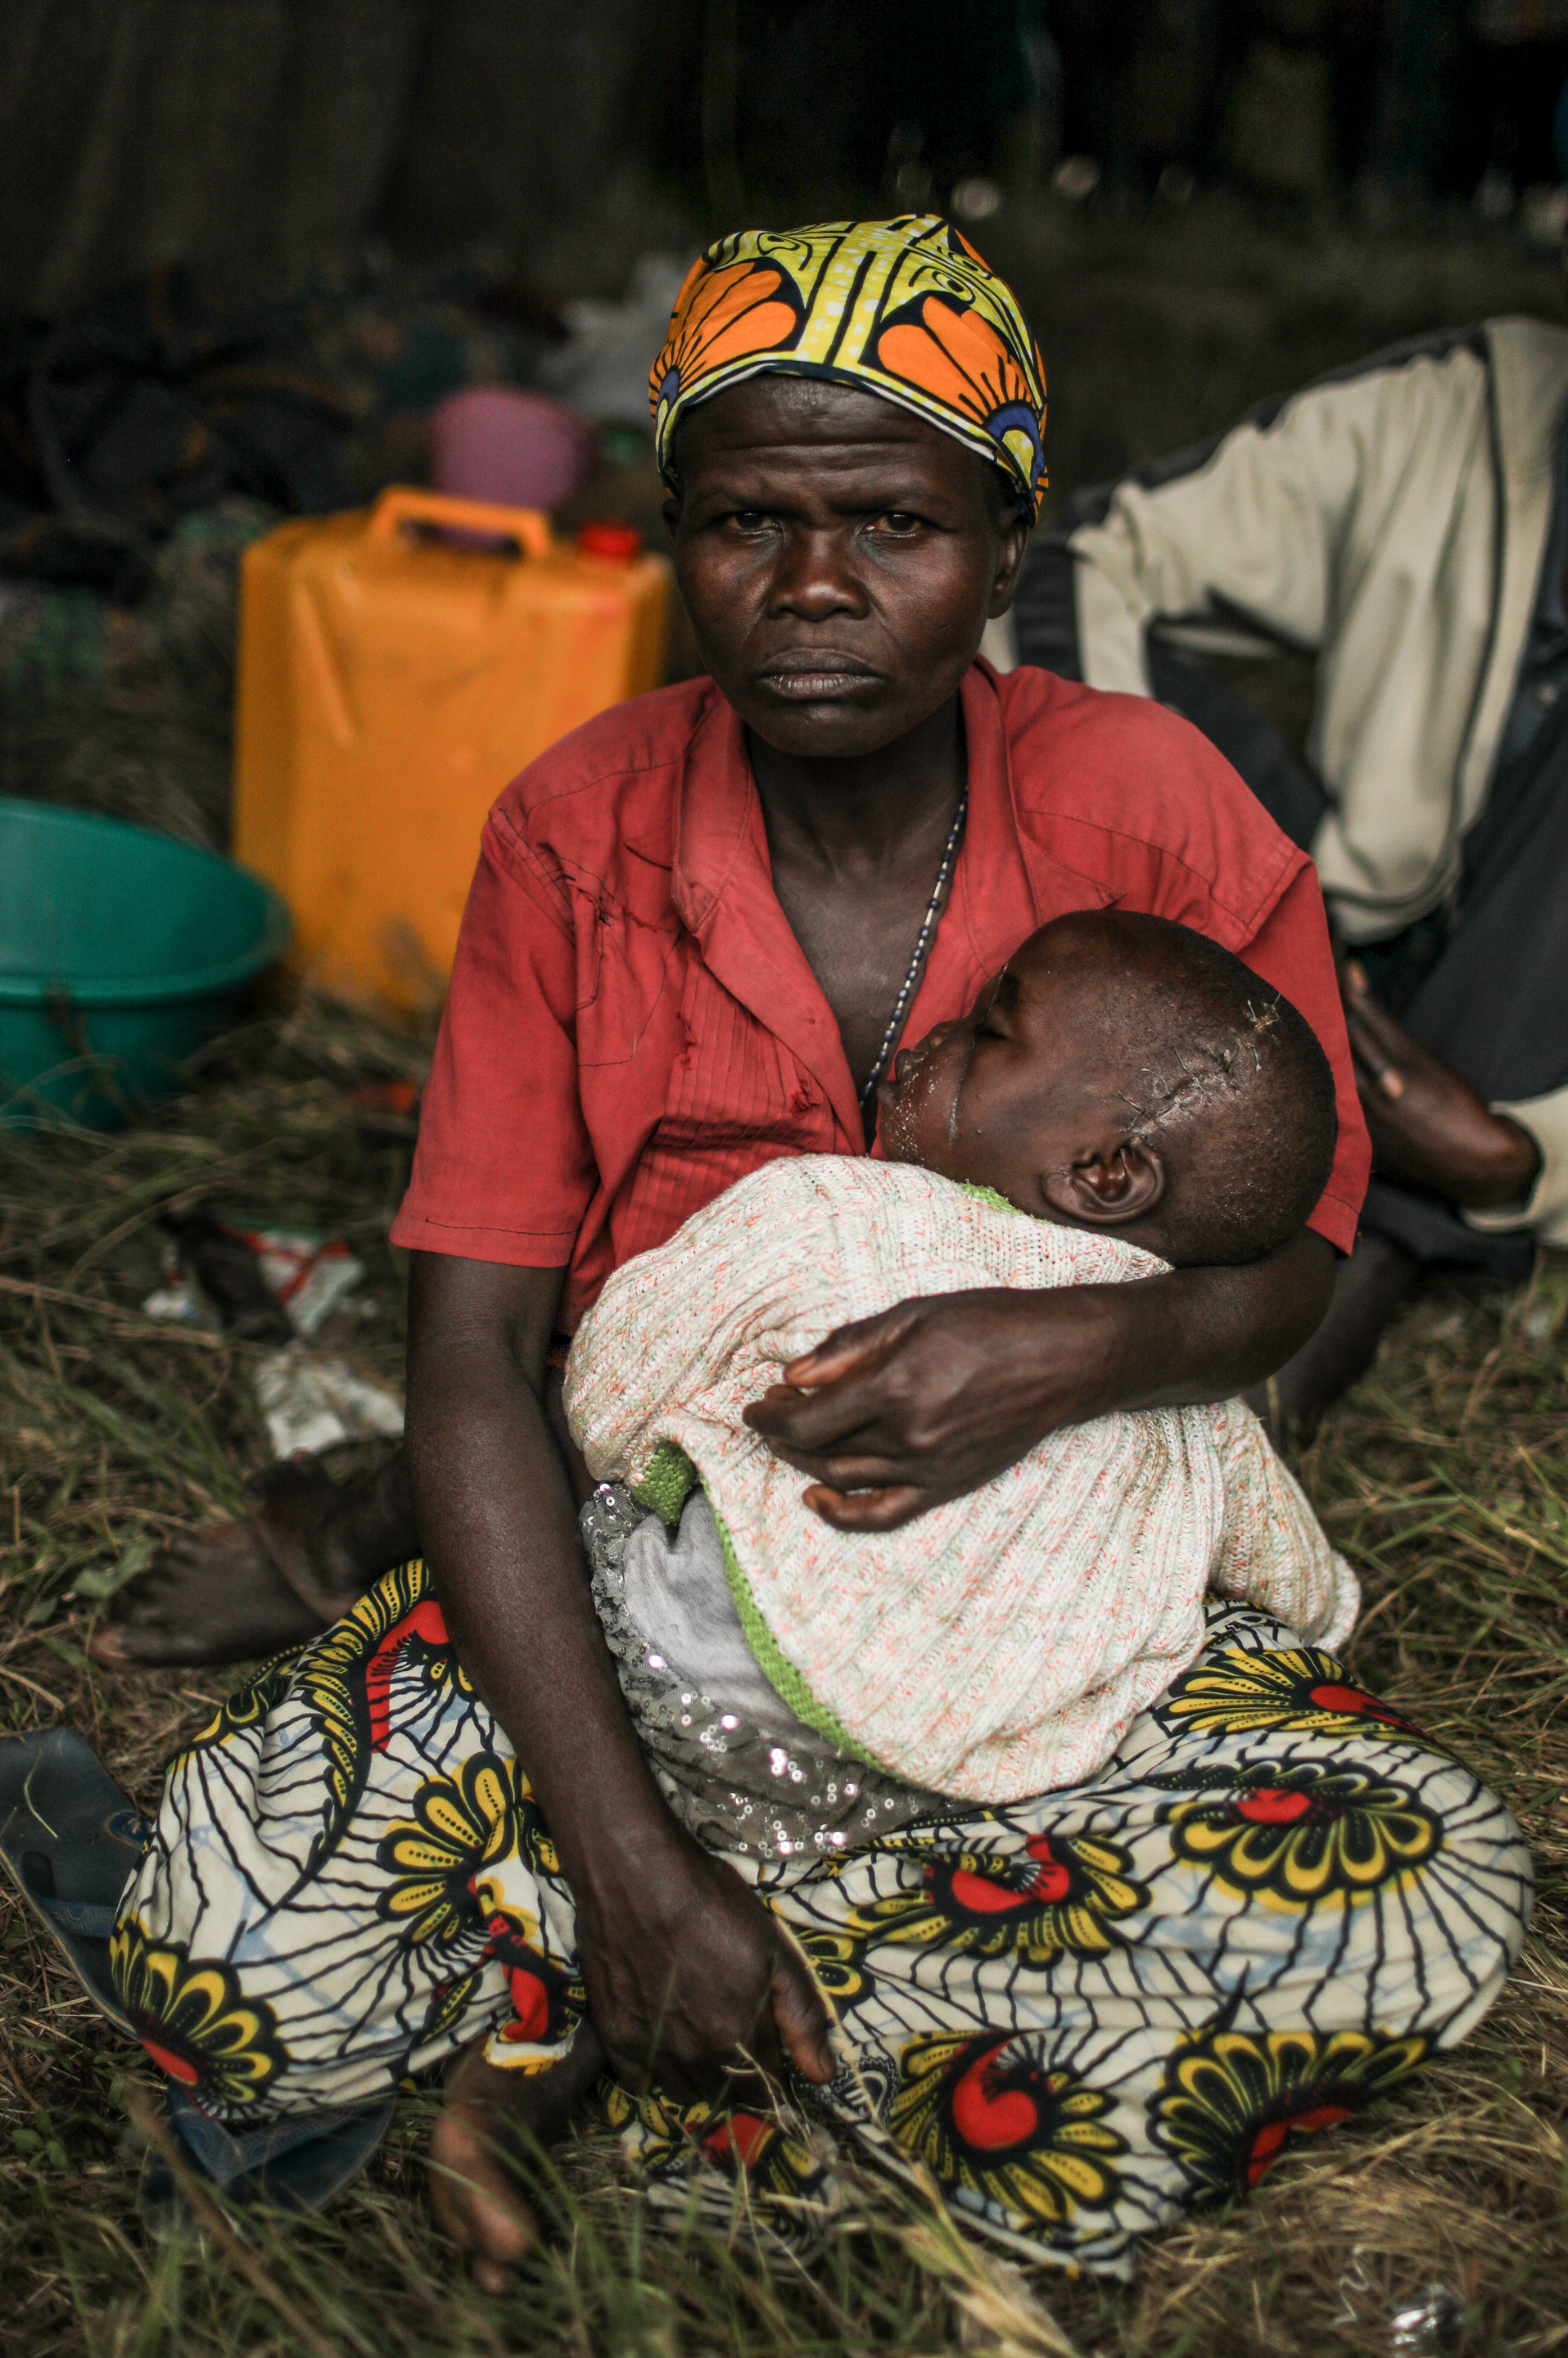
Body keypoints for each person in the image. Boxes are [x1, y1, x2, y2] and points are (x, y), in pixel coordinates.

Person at [102, 219, 1529, 2291]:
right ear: (670, 529)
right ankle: (736, 1994)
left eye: (893, 521)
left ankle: (639, 2027)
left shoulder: (1148, 803)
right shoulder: (573, 831)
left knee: (1416, 1884)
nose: (818, 585)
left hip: (1029, 1634)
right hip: (641, 1599)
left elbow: (1294, 1263)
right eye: (748, 518)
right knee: (214, 1951)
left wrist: (1050, 1361)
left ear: (1007, 542)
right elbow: (480, 1360)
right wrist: (626, 1848)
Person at [565, 910, 1358, 1817]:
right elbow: (1293, 1569)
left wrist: (633, 1470)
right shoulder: (1196, 1403)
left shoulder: (841, 1213)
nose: (932, 1035)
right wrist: (1324, 1623)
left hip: (688, 1675)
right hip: (959, 1770)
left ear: (1105, 1173)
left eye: (987, 1031)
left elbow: (616, 1372)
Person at [1009, 312, 1568, 1436]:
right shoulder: (1457, 406)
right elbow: (1085, 555)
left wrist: (1520, 1157)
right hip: (1333, 933)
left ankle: (1374, 1231)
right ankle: (1312, 1141)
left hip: (1522, 1045)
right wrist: (1164, 914)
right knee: (1045, 633)